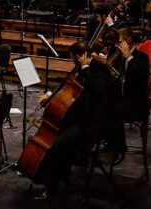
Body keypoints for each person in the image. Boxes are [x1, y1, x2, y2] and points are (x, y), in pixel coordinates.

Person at [34, 41, 125, 199]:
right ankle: (58, 176)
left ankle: (51, 186)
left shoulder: (99, 68)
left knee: (58, 144)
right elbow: (67, 84)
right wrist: (49, 95)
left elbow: (97, 90)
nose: (72, 60)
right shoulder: (83, 67)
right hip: (81, 117)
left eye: (72, 57)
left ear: (77, 57)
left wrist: (85, 68)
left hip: (94, 122)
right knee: (60, 140)